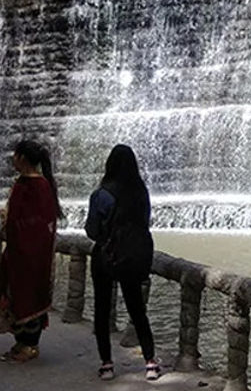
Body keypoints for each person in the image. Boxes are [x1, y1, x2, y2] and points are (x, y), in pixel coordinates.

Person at [85, 144, 159, 382]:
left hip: (106, 256)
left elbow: (92, 231)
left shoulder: (101, 194)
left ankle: (106, 364)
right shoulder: (141, 192)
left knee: (102, 309)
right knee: (137, 309)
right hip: (133, 256)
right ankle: (150, 362)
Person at [0, 140, 62, 363]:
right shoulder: (25, 183)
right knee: (16, 293)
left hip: (32, 252)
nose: (12, 159)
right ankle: (21, 343)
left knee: (29, 294)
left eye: (15, 155)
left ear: (22, 157)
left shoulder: (38, 186)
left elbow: (39, 222)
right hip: (17, 250)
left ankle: (30, 345)